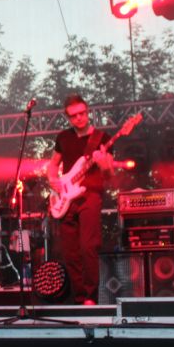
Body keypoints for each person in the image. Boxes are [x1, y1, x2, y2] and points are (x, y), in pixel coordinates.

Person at [46, 95, 113, 304]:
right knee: (70, 252)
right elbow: (53, 164)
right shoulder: (63, 137)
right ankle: (79, 297)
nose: (79, 118)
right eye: (74, 116)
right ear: (68, 118)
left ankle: (91, 298)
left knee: (88, 247)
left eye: (82, 113)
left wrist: (102, 163)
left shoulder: (102, 138)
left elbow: (109, 174)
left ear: (87, 111)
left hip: (90, 195)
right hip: (67, 198)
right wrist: (53, 180)